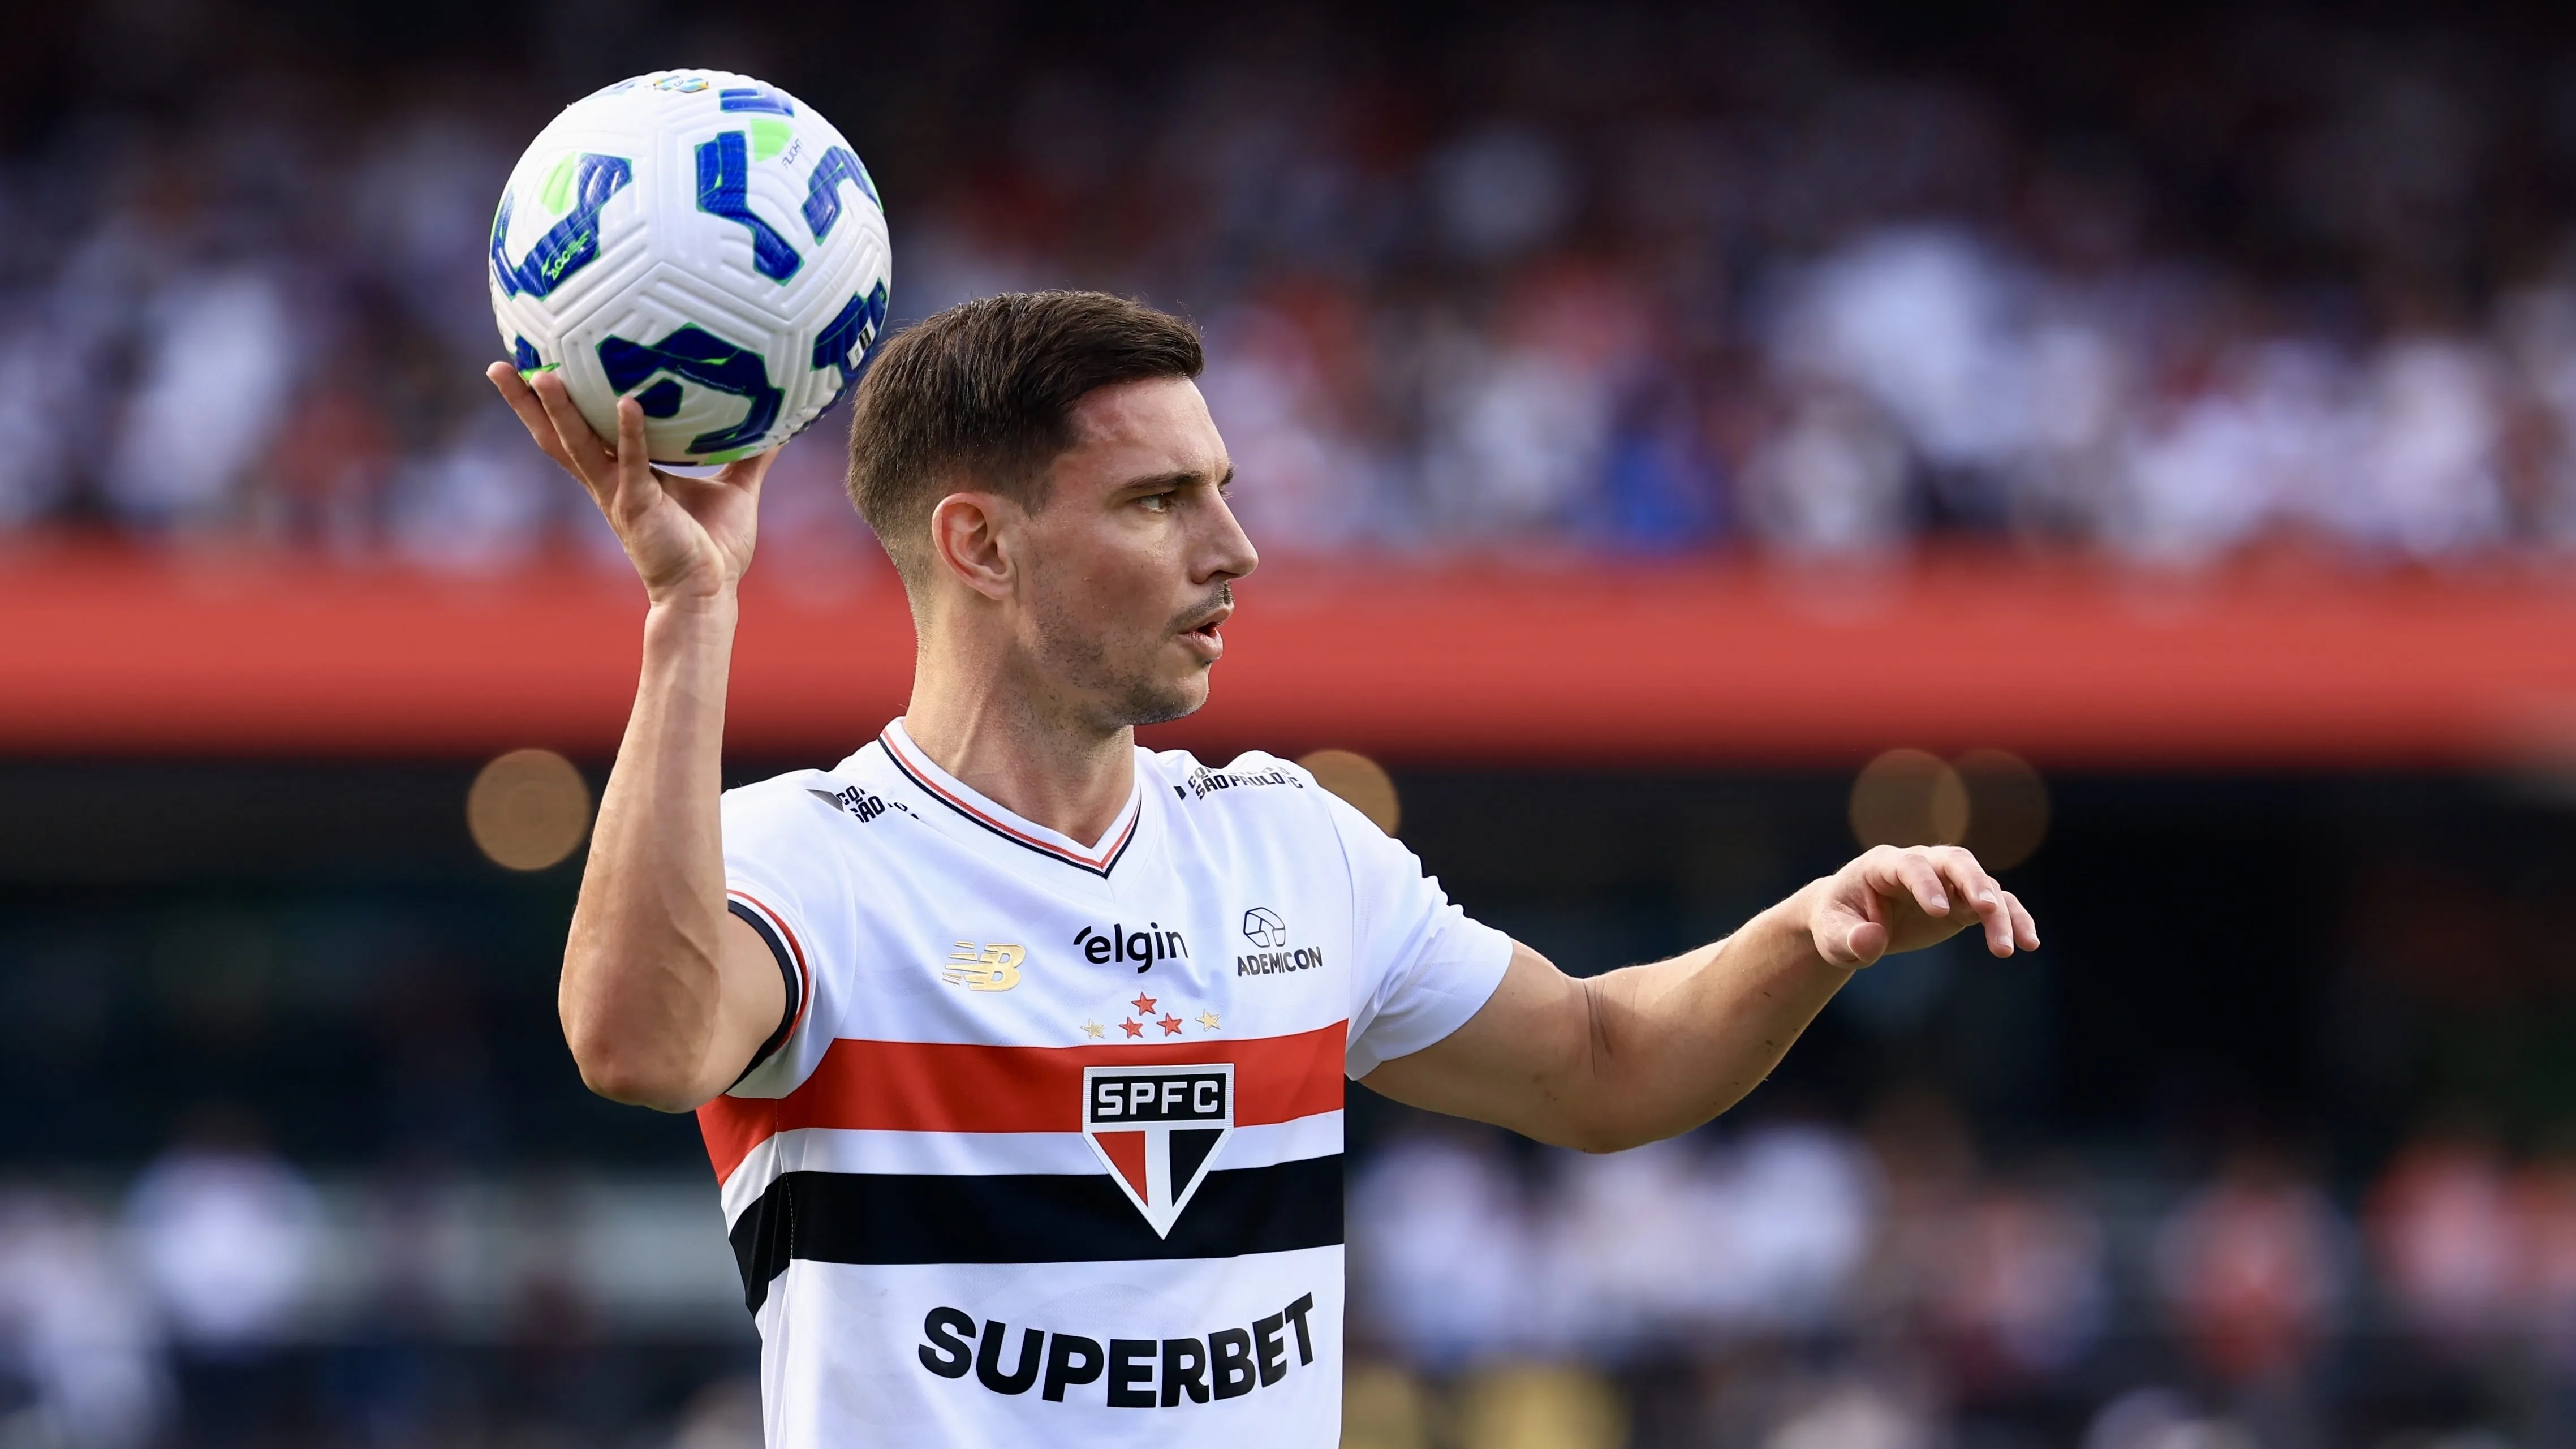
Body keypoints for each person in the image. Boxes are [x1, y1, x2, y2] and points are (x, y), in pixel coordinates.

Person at [484, 290, 2039, 1447]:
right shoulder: (804, 855)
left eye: (1222, 488)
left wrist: (1809, 936)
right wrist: (691, 618)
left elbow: (1601, 1063)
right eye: (1162, 501)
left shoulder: (1289, 843)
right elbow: (637, 1046)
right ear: (979, 546)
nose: (1235, 549)